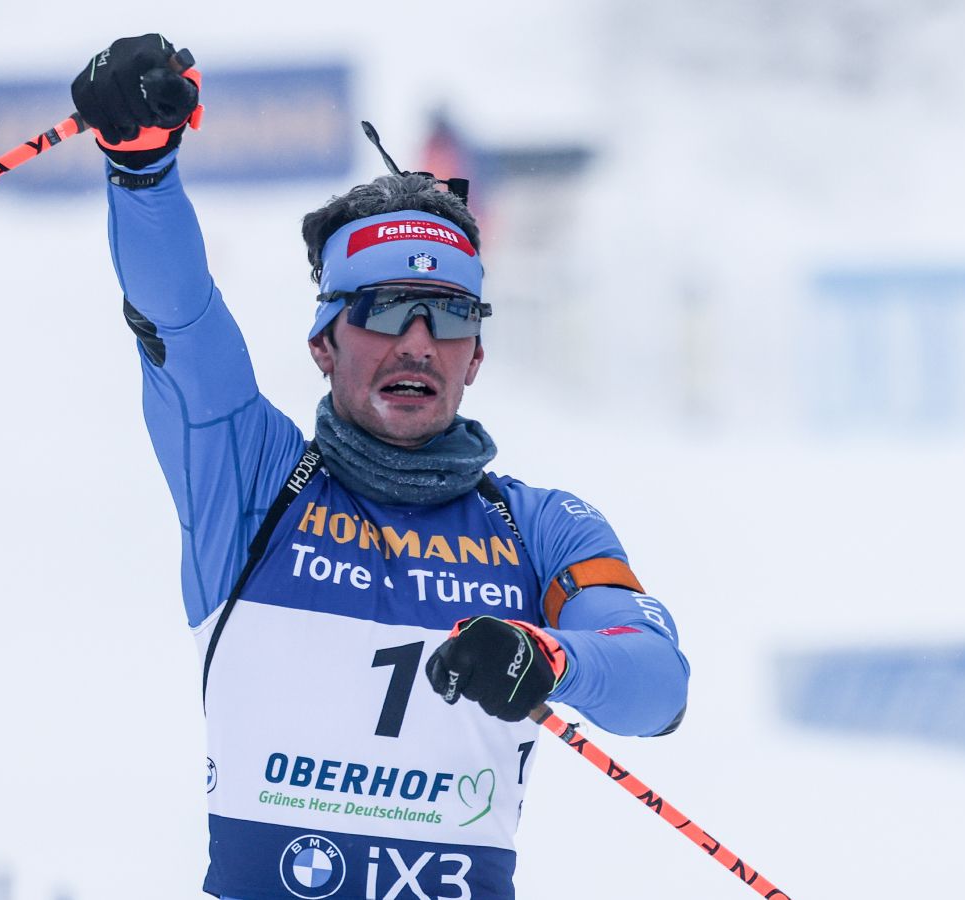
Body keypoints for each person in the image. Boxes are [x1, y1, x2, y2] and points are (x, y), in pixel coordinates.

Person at [71, 35, 690, 900]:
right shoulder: (249, 478)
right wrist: (142, 171)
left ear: (477, 356)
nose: (418, 343)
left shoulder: (543, 528)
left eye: (450, 316)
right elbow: (180, 317)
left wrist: (548, 656)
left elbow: (656, 686)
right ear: (324, 342)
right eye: (386, 308)